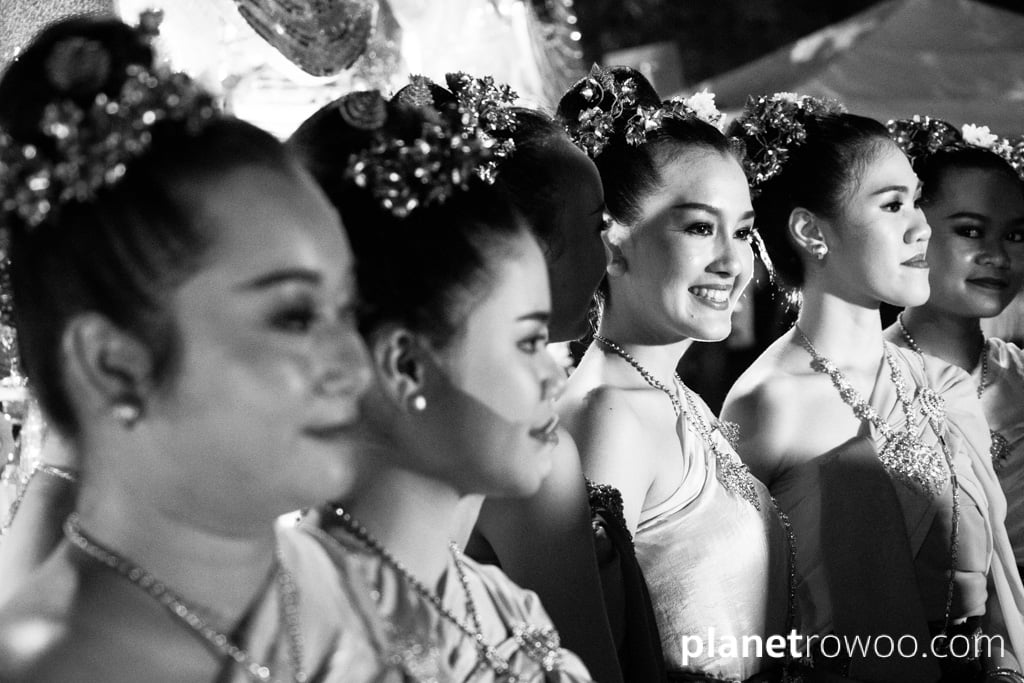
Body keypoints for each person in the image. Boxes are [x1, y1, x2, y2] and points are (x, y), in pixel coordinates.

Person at [0, 14, 389, 682]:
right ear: (115, 366)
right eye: (294, 317)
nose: (355, 366)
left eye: (348, 310)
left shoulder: (359, 590)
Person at [289, 85, 593, 681]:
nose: (555, 375)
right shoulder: (300, 636)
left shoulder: (507, 607)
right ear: (405, 366)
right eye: (528, 343)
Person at [723, 94, 1024, 682]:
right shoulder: (767, 404)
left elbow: (995, 593)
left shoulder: (941, 383)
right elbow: (738, 619)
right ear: (811, 231)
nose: (921, 227)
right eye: (892, 205)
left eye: (917, 201)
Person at [555, 65, 795, 682]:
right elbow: (589, 654)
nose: (733, 261)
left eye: (743, 232)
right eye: (699, 227)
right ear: (613, 246)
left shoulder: (669, 391)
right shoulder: (611, 415)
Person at [883, 117, 1024, 580]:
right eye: (970, 231)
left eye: (1015, 236)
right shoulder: (861, 379)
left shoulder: (1018, 375)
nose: (997, 256)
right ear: (912, 230)